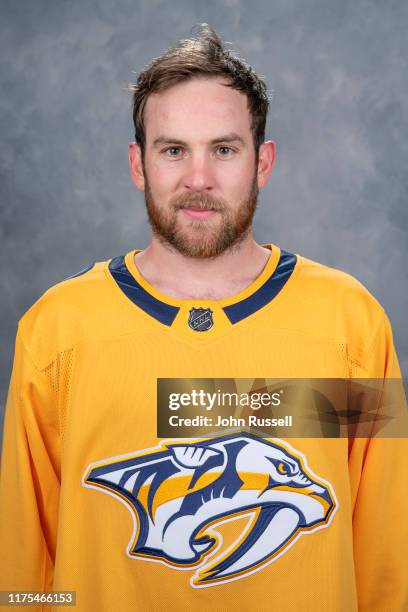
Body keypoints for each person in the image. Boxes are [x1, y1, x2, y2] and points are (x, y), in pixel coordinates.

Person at [0, 23, 407, 612]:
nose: (199, 179)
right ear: (139, 165)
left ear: (262, 162)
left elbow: (387, 551)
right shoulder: (59, 330)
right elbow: (22, 563)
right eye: (173, 150)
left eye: (223, 148)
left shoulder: (351, 324)